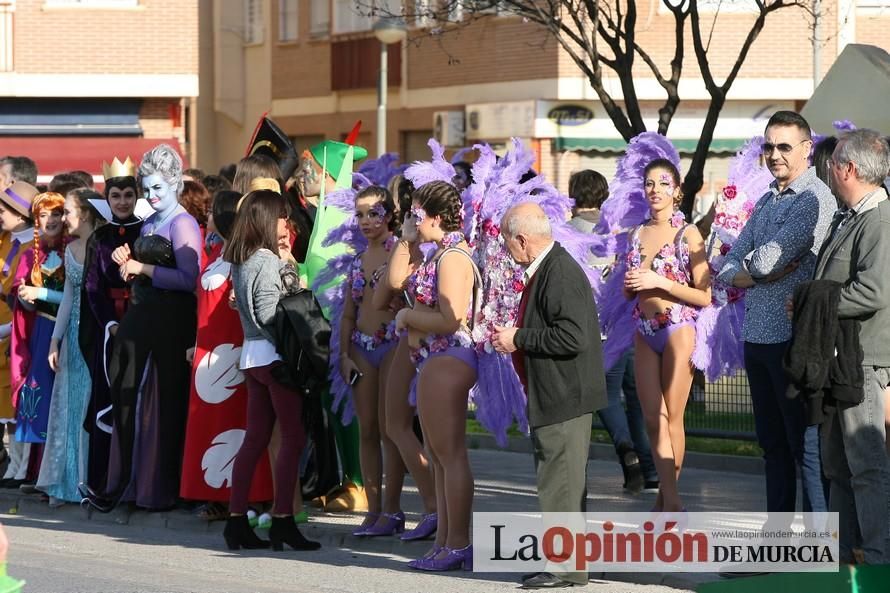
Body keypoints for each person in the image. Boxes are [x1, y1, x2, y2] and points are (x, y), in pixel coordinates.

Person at [717, 110, 834, 520]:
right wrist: (753, 271)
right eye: (768, 146)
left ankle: (821, 549)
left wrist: (752, 270)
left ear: (807, 149)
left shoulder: (815, 198)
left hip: (793, 338)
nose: (774, 154)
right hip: (758, 337)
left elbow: (765, 262)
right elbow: (727, 268)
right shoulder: (767, 199)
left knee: (805, 449)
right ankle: (779, 545)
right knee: (773, 447)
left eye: (784, 146)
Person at [492, 202, 607, 589]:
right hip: (557, 392)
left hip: (564, 394)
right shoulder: (551, 267)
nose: (507, 250)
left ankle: (564, 568)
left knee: (560, 483)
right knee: (563, 482)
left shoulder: (557, 271)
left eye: (508, 242)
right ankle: (570, 565)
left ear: (522, 240)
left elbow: (573, 336)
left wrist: (518, 337)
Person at [84, 144, 200, 511]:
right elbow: (138, 274)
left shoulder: (183, 223)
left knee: (161, 403)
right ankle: (127, 484)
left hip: (169, 325)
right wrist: (126, 262)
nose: (149, 197)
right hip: (142, 321)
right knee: (129, 401)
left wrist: (142, 268)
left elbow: (188, 278)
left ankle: (158, 488)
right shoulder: (150, 221)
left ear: (175, 185)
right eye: (146, 189)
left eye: (157, 190)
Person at [222, 189, 320, 552]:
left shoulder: (242, 258)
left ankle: (236, 521)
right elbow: (269, 313)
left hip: (252, 355)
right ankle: (282, 520)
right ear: (266, 218)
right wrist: (288, 267)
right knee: (292, 438)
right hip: (275, 357)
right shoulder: (265, 259)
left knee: (256, 438)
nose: (286, 221)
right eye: (281, 215)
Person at [810, 129, 890, 564]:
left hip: (862, 360)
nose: (831, 169)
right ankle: (842, 555)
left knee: (866, 467)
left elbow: (873, 292)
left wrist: (812, 305)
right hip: (841, 359)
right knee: (838, 466)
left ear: (850, 169)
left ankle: (879, 558)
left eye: (835, 161)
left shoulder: (879, 220)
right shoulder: (856, 216)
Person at [623, 160, 711, 513]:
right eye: (649, 183)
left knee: (672, 417)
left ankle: (670, 502)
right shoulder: (635, 233)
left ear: (677, 191)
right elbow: (630, 288)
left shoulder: (688, 234)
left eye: (663, 183)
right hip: (645, 331)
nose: (655, 190)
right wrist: (630, 286)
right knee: (650, 417)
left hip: (679, 330)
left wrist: (660, 282)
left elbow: (704, 295)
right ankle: (666, 500)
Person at [397, 181, 477, 571]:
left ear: (437, 218)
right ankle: (445, 541)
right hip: (435, 359)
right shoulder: (440, 254)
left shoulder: (453, 257)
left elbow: (451, 318)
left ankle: (458, 542)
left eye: (417, 214)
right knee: (440, 455)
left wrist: (407, 317)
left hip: (449, 358)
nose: (413, 220)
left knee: (449, 453)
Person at [569, 168, 657, 494]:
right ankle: (650, 471)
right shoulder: (622, 230)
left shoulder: (567, 233)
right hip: (631, 320)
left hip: (593, 326)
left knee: (605, 393)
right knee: (637, 397)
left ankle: (626, 448)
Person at [337, 186, 407, 537]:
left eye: (374, 213)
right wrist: (344, 355)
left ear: (391, 215)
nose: (366, 221)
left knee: (391, 429)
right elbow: (348, 314)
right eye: (361, 214)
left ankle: (393, 509)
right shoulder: (356, 260)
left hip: (394, 344)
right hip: (361, 350)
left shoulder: (403, 253)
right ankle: (374, 508)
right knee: (367, 430)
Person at [373, 195, 438, 542]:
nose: (413, 218)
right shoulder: (409, 244)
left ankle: (440, 510)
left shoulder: (443, 249)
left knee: (436, 436)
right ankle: (433, 507)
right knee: (394, 424)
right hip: (406, 342)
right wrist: (406, 240)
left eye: (418, 212)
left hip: (437, 345)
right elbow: (385, 294)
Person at [37, 189, 106, 505]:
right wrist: (55, 339)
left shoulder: (103, 246)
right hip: (72, 339)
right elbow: (67, 297)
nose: (63, 218)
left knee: (89, 404)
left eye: (67, 212)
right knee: (68, 405)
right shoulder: (70, 248)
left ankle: (88, 480)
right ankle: (65, 481)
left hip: (96, 333)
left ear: (87, 214)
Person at [78, 158, 143, 493]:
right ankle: (102, 479)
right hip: (109, 330)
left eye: (128, 195)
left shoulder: (147, 230)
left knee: (138, 402)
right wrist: (110, 324)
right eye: (116, 195)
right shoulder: (99, 238)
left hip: (141, 322)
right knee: (107, 398)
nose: (122, 202)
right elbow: (92, 287)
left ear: (136, 196)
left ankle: (134, 479)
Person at [10, 192, 66, 491]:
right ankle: (32, 469)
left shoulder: (74, 250)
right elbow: (29, 306)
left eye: (56, 213)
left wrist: (41, 294)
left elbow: (74, 297)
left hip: (67, 330)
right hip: (42, 331)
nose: (51, 220)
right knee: (38, 396)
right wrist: (26, 297)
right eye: (44, 215)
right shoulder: (31, 256)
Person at [0, 182, 38, 488]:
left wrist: (8, 329)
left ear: (21, 215)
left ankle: (22, 466)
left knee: (19, 402)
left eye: (4, 210)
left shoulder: (33, 247)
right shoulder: (5, 240)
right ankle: (11, 464)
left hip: (19, 333)